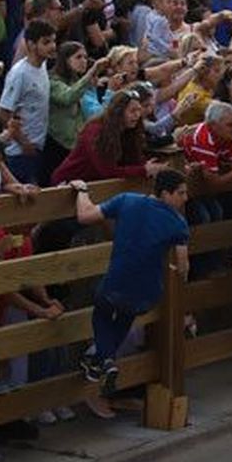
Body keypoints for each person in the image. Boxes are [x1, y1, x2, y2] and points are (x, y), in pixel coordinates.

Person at [68, 169, 191, 418]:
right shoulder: (178, 223)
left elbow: (85, 215)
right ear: (165, 193)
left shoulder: (127, 200)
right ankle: (105, 360)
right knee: (125, 315)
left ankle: (104, 359)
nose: (185, 198)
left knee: (101, 315)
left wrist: (82, 190)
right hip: (147, 291)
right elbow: (183, 265)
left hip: (117, 282)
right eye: (181, 193)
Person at [0, 19, 57, 185]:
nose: (52, 46)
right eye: (46, 42)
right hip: (20, 152)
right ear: (31, 44)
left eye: (53, 41)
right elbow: (2, 113)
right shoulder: (20, 74)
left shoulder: (42, 66)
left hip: (37, 147)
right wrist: (24, 142)